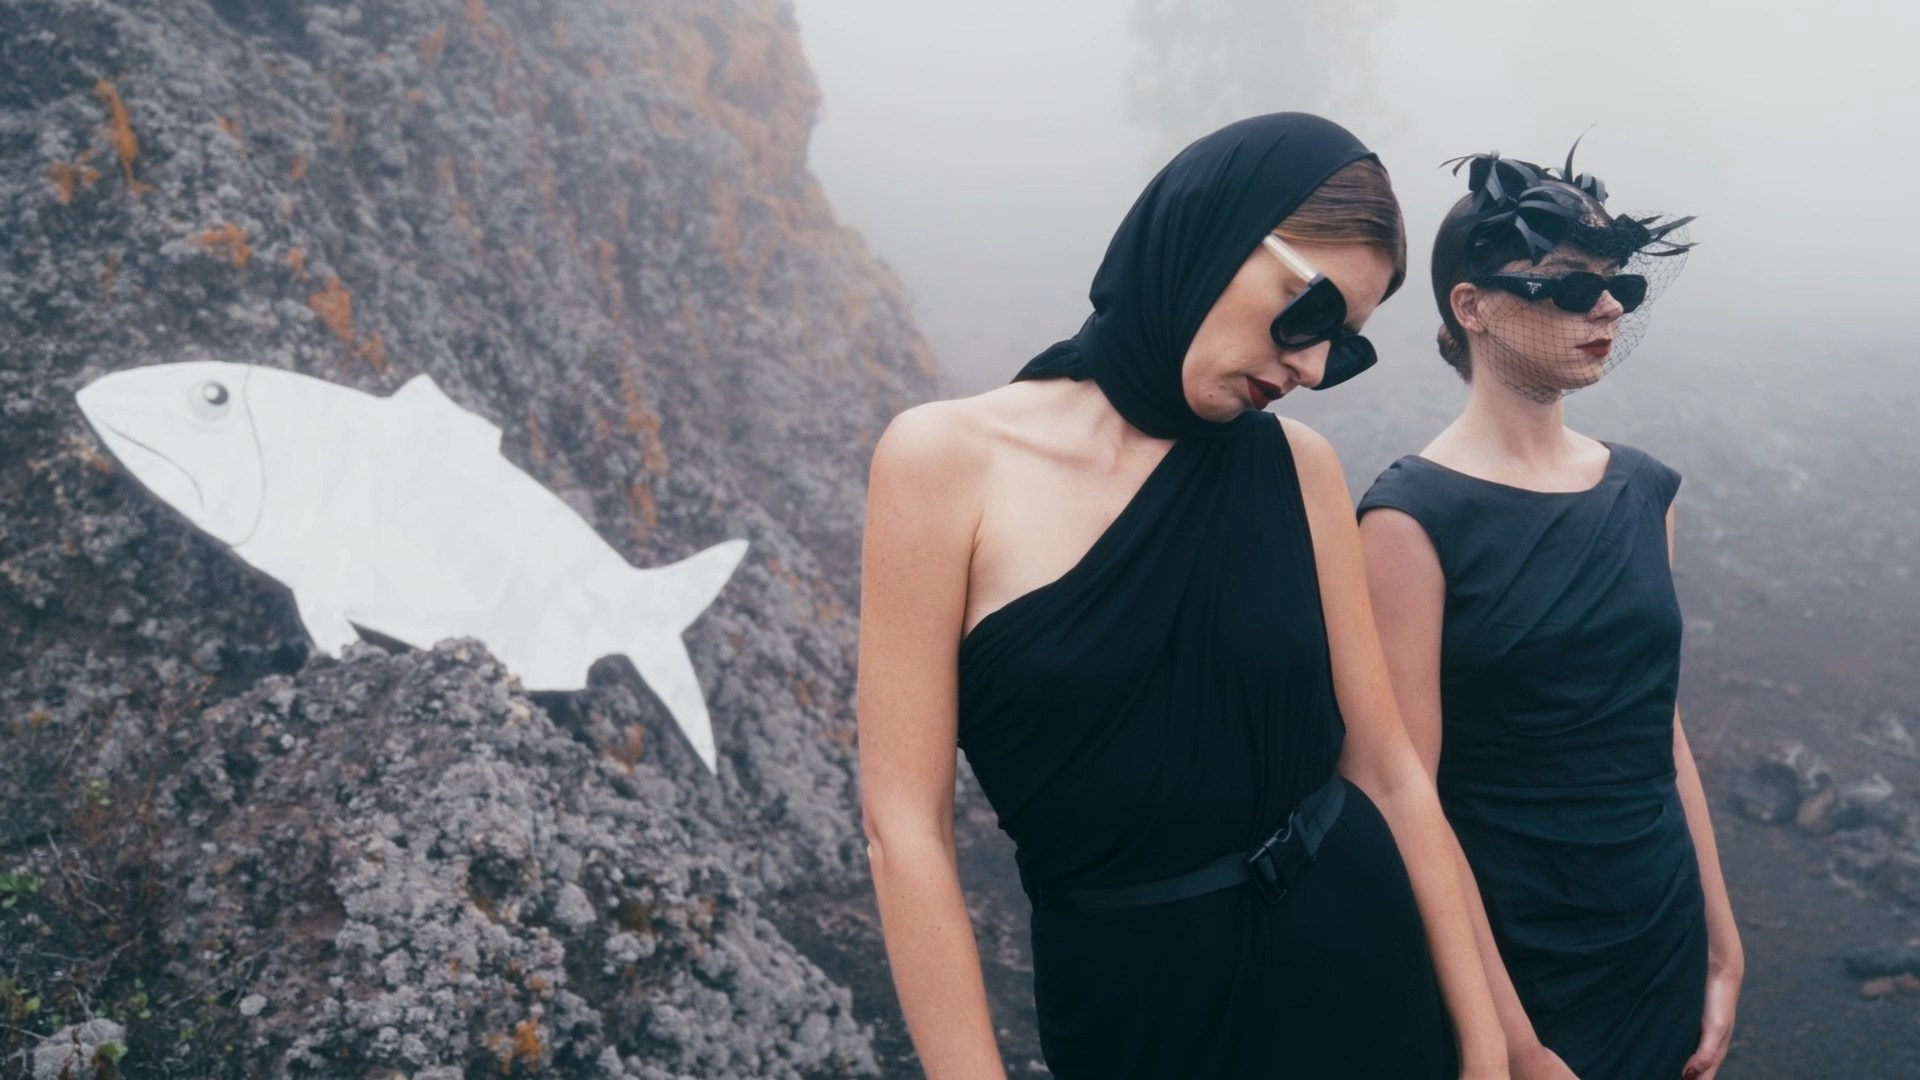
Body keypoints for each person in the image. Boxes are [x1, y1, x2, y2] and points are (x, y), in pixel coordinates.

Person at [857, 112, 1506, 1079]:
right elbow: (903, 829)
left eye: (1348, 347)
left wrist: (1488, 1049)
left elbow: (1391, 773)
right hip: (1136, 1011)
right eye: (1311, 313)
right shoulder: (943, 462)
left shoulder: (1301, 468)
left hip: (1365, 969)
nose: (1313, 366)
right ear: (1210, 228)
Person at [1358, 145, 1742, 1080]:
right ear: (1472, 305)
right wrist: (1511, 1039)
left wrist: (1723, 947)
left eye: (1619, 290)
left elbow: (1661, 727)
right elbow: (1406, 797)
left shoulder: (1645, 491)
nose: (1606, 309)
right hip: (1518, 954)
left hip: (1659, 929)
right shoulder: (1410, 519)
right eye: (1571, 289)